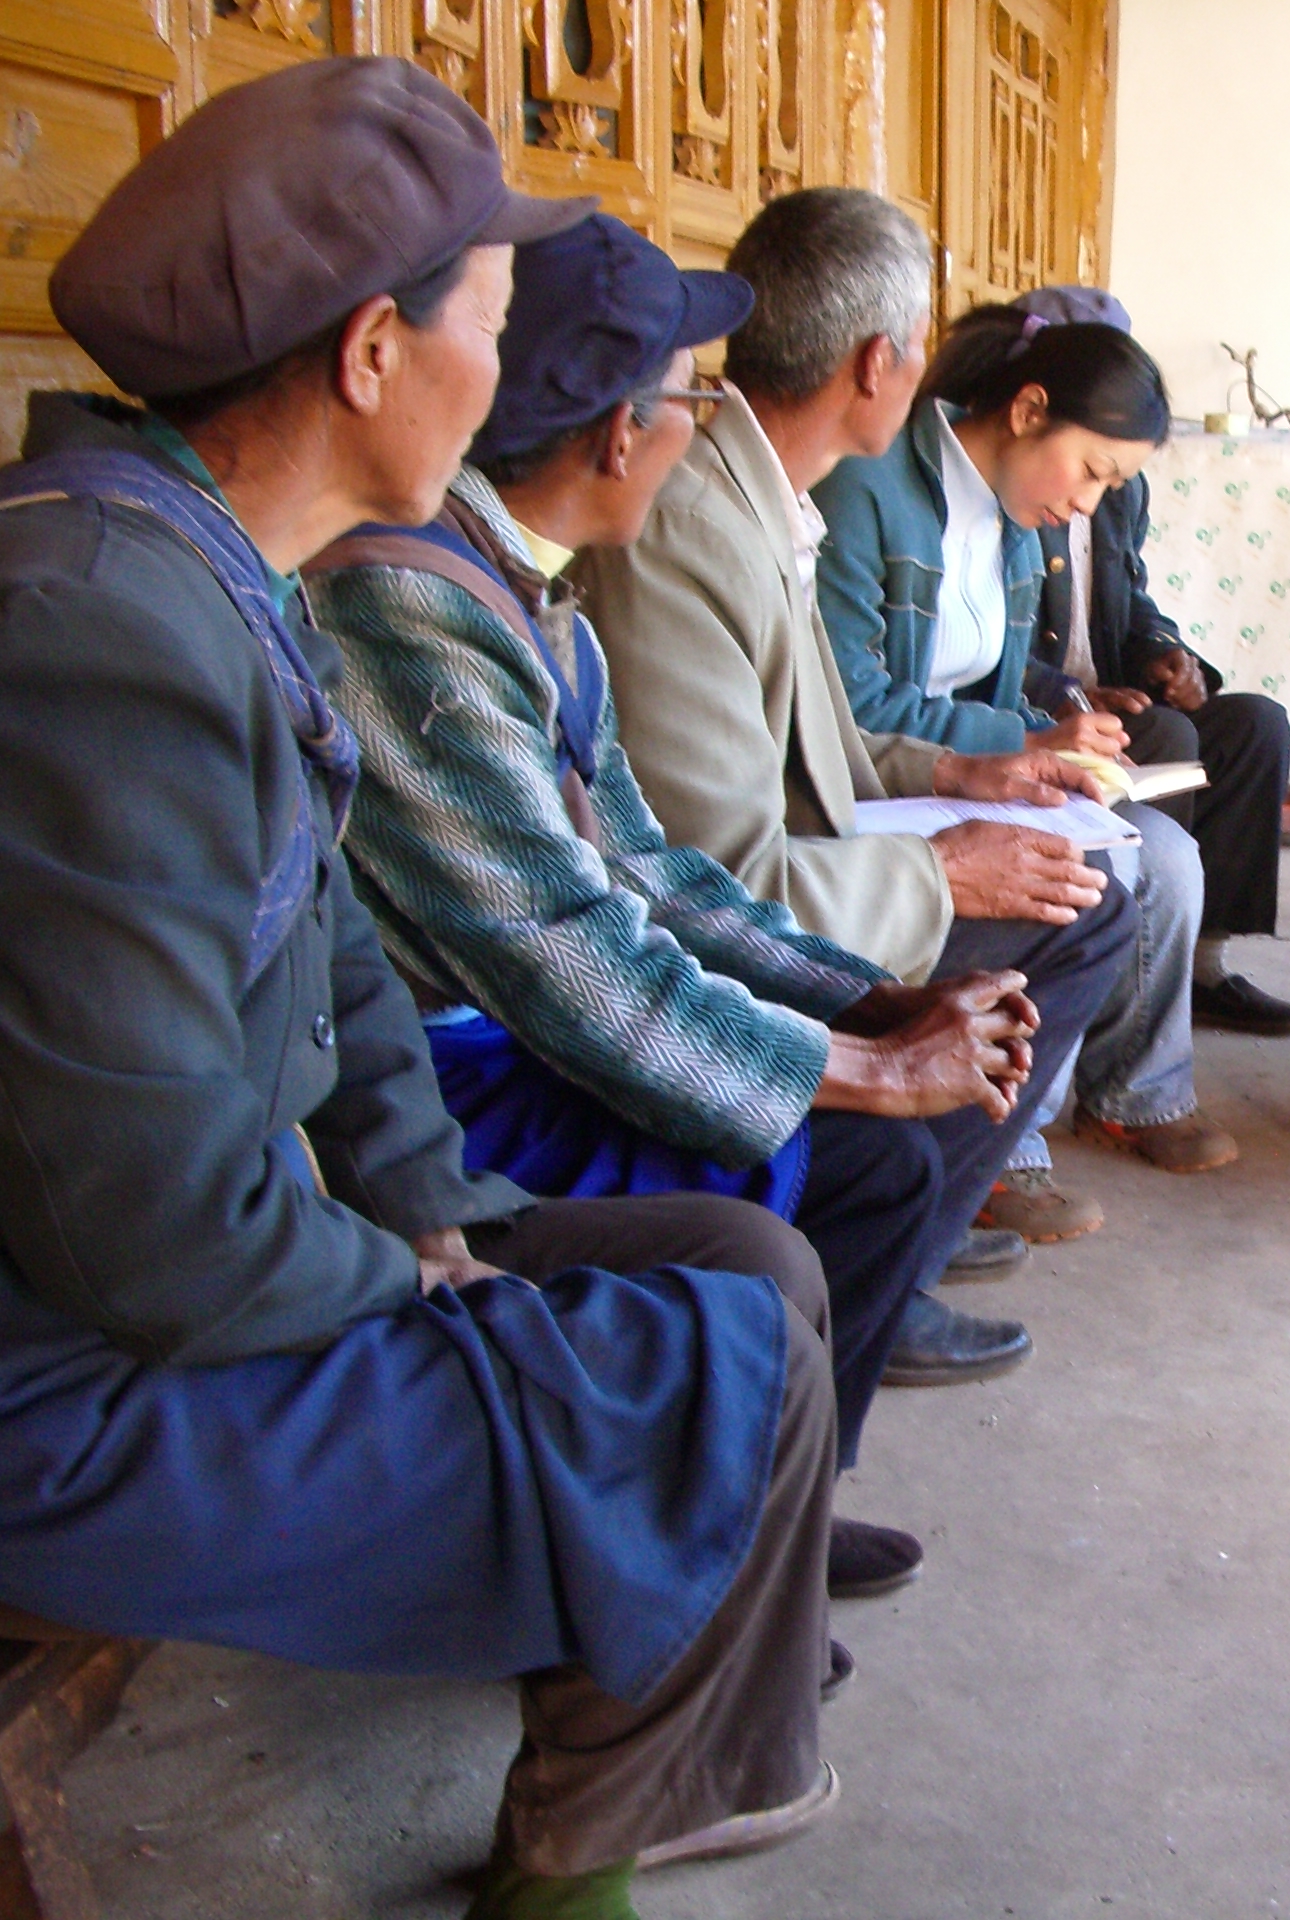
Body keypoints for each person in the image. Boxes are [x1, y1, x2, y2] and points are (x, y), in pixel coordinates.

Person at [0, 59, 847, 1920]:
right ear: (376, 355)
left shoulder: (217, 566)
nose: (510, 368)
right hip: (66, 1392)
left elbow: (345, 968)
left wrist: (438, 1214)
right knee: (697, 1366)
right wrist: (408, 1284)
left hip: (185, 1282)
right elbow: (154, 1246)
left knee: (738, 1268)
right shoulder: (95, 629)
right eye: (490, 314)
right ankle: (577, 1864)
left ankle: (628, 1779)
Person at [305, 214, 1084, 1610]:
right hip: (440, 1080)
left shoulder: (537, 609)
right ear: (621, 438)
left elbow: (662, 876)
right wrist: (865, 1071)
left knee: (892, 1151)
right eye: (690, 396)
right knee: (854, 1163)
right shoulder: (409, 619)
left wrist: (864, 1001)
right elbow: (573, 971)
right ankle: (727, 1558)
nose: (701, 427)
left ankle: (770, 1510)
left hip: (528, 1025)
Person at [807, 281, 1248, 1193]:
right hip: (875, 778)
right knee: (1079, 876)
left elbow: (999, 688)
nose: (1088, 505)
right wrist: (1018, 739)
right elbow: (845, 701)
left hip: (964, 773)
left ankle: (1138, 1095)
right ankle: (1009, 1141)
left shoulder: (1013, 524)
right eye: (1091, 471)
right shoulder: (870, 489)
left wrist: (1055, 734)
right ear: (1029, 410)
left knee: (1166, 857)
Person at [927, 288, 1290, 1040]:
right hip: (1050, 708)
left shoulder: (1111, 489)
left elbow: (1131, 598)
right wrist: (1065, 700)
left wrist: (1169, 654)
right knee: (1164, 754)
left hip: (1090, 700)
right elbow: (984, 660)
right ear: (1035, 400)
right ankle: (1115, 993)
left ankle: (1199, 962)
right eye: (1098, 463)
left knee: (1254, 727)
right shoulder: (999, 485)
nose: (1100, 491)